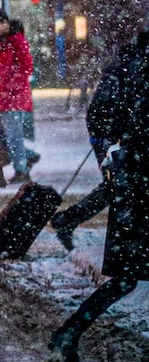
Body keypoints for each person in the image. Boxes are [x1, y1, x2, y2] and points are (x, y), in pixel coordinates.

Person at [48, 31, 149, 362]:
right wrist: (110, 145)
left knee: (125, 278)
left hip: (131, 185)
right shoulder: (138, 75)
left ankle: (71, 331)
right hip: (138, 188)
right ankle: (70, 331)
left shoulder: (128, 69)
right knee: (126, 277)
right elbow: (134, 128)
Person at [50, 31, 149, 252]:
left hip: (112, 134)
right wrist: (115, 136)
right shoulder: (133, 69)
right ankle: (69, 220)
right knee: (118, 187)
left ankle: (69, 220)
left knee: (119, 187)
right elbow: (122, 107)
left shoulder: (127, 65)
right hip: (114, 135)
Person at [0, 10, 34, 185]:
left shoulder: (15, 42)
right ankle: (23, 164)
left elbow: (26, 67)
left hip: (13, 99)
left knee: (13, 136)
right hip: (9, 98)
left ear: (5, 23)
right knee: (11, 136)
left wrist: (9, 85)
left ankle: (22, 169)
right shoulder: (6, 44)